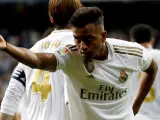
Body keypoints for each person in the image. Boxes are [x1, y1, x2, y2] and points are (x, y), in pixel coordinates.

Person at [0, 7, 158, 120]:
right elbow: (39, 60)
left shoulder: (130, 52)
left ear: (103, 36)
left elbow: (152, 67)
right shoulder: (70, 54)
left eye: (88, 39)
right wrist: (8, 47)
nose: (82, 46)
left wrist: (136, 105)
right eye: (77, 39)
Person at [0, 0, 82, 120]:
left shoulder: (28, 53)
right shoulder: (81, 49)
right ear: (78, 16)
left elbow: (9, 102)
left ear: (51, 18)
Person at [130, 24, 160, 120]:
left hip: (133, 114)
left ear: (132, 40)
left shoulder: (127, 58)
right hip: (156, 115)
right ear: (152, 40)